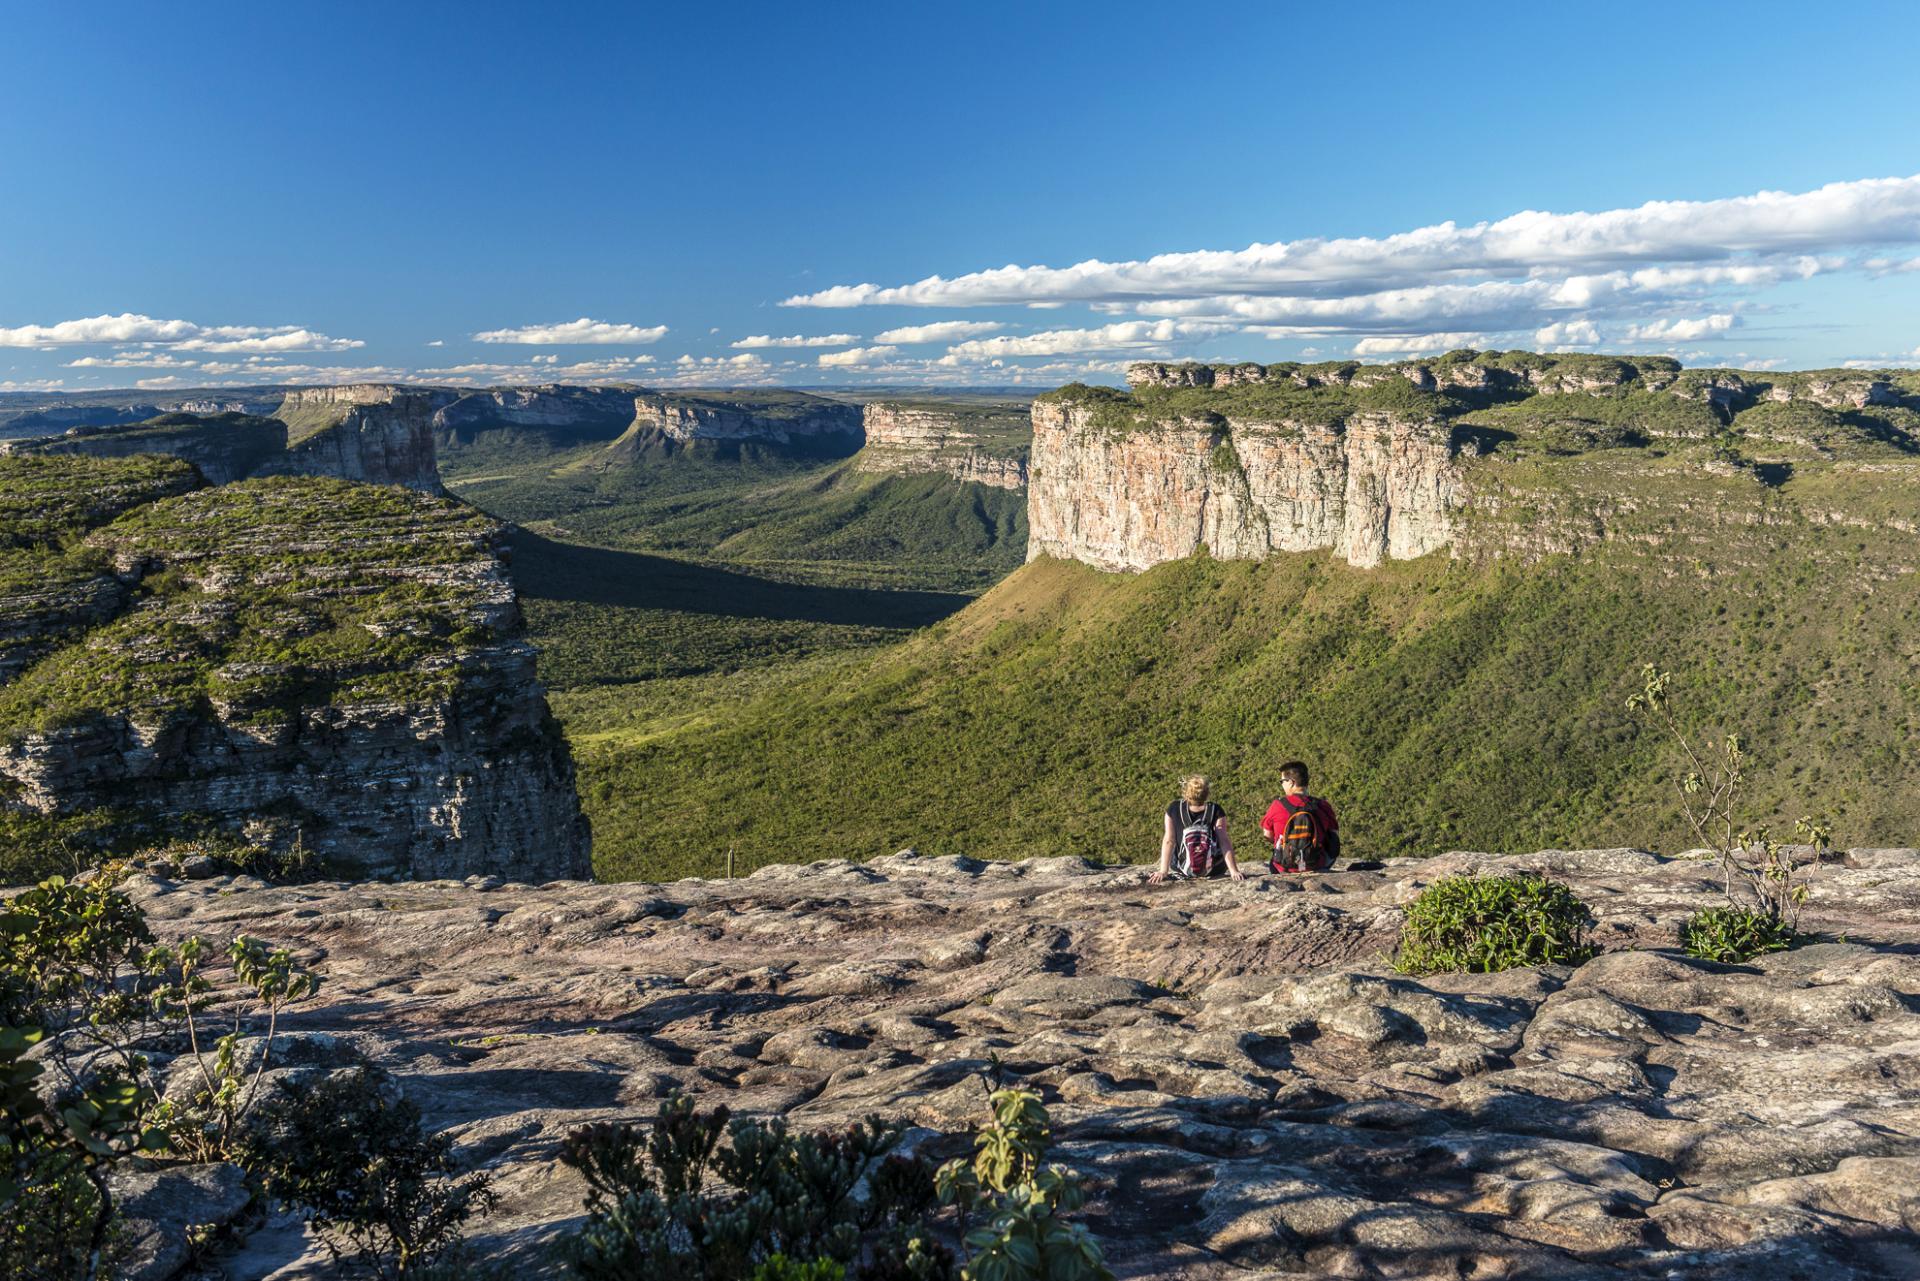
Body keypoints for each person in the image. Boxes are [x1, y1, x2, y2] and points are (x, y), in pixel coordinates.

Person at [1149, 774, 1246, 883]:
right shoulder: (1216, 810)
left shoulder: (1174, 808)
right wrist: (1234, 871)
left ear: (1186, 791)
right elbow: (1224, 841)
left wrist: (1163, 871)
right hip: (1213, 870)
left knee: (1175, 850)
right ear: (1207, 793)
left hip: (1182, 869)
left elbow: (1169, 841)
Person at [1261, 760, 1340, 873]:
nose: (1282, 785)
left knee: (1275, 857)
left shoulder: (1277, 805)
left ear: (1291, 782)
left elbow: (1267, 835)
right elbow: (1334, 837)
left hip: (1284, 867)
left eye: (1282, 781)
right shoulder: (1323, 805)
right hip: (1316, 864)